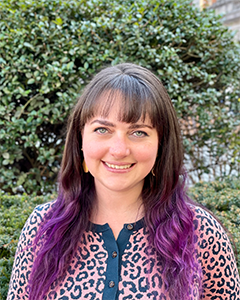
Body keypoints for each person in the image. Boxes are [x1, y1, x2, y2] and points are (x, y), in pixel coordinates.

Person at [7, 63, 240, 300]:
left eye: (138, 132)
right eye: (102, 130)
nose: (119, 150)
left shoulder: (200, 232)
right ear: (80, 138)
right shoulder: (43, 228)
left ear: (161, 145)